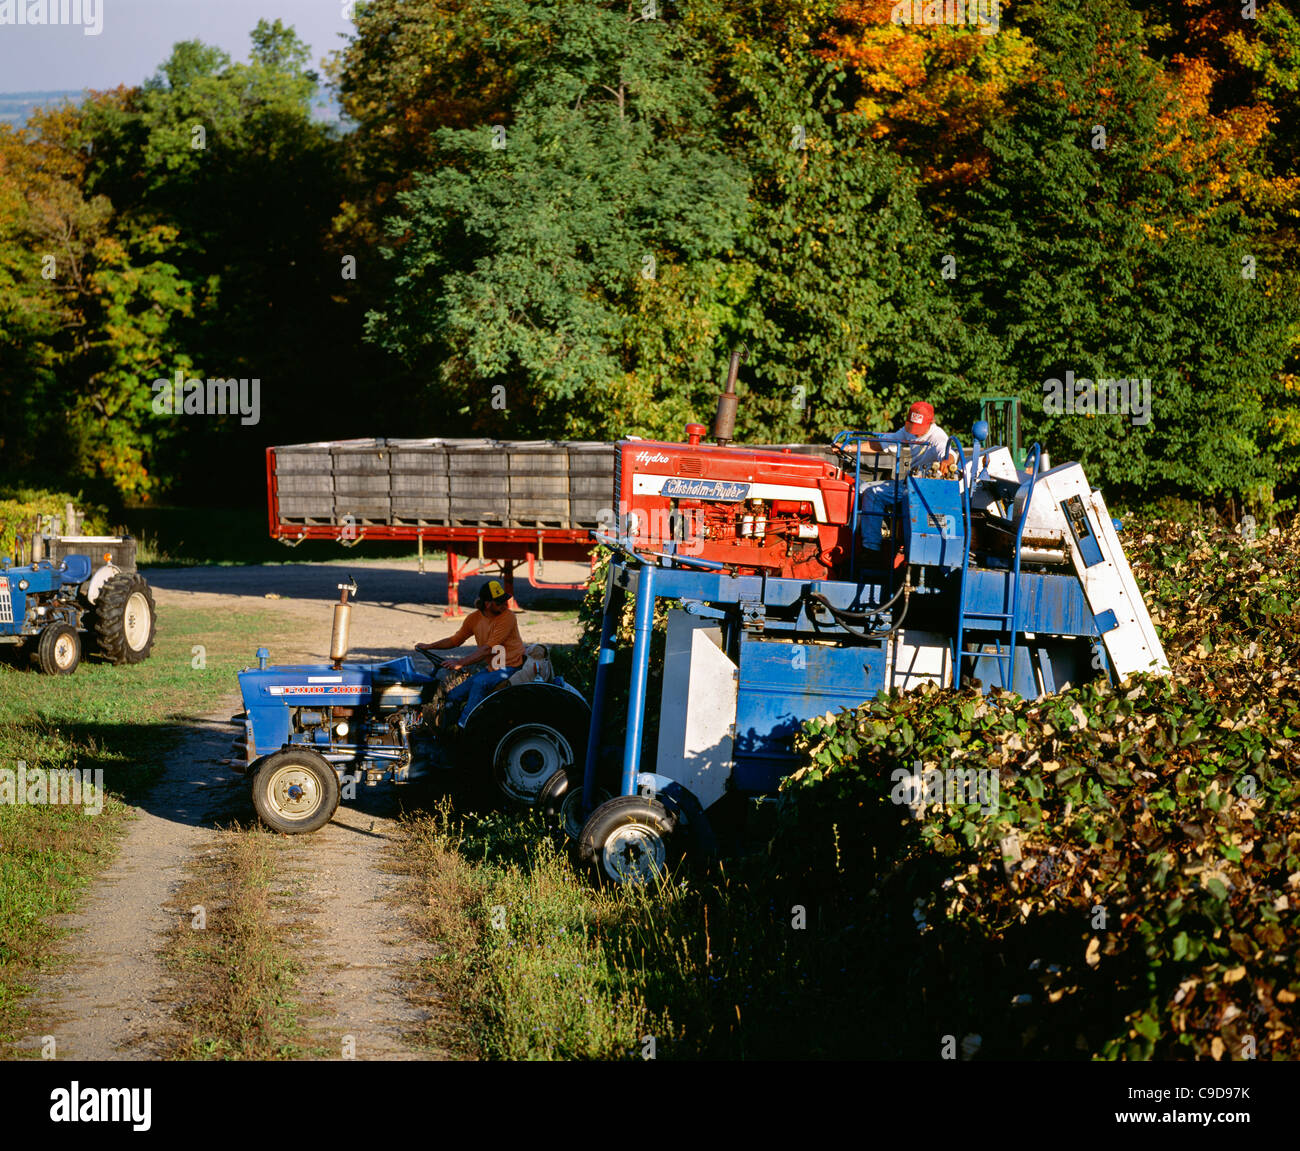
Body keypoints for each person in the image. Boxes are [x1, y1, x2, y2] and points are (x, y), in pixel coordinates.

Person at [416, 579, 525, 726]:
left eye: (504, 600)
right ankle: (447, 729)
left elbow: (487, 649)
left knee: (480, 683)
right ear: (487, 604)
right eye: (499, 602)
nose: (505, 605)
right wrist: (429, 646)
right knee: (453, 696)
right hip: (492, 668)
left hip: (511, 666)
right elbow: (455, 640)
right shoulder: (473, 619)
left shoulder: (508, 617)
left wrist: (460, 663)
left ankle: (465, 726)